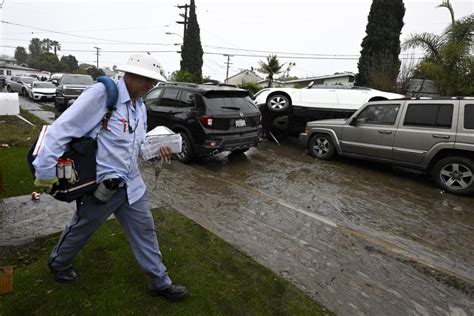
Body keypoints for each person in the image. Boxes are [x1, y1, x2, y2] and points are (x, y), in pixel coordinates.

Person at [32, 53, 188, 301]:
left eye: (154, 81)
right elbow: (60, 131)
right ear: (129, 74)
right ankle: (59, 264)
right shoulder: (102, 95)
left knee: (145, 231)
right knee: (82, 228)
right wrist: (45, 173)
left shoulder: (140, 106)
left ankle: (159, 282)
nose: (151, 85)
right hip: (102, 186)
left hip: (132, 185)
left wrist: (158, 150)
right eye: (146, 79)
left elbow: (136, 147)